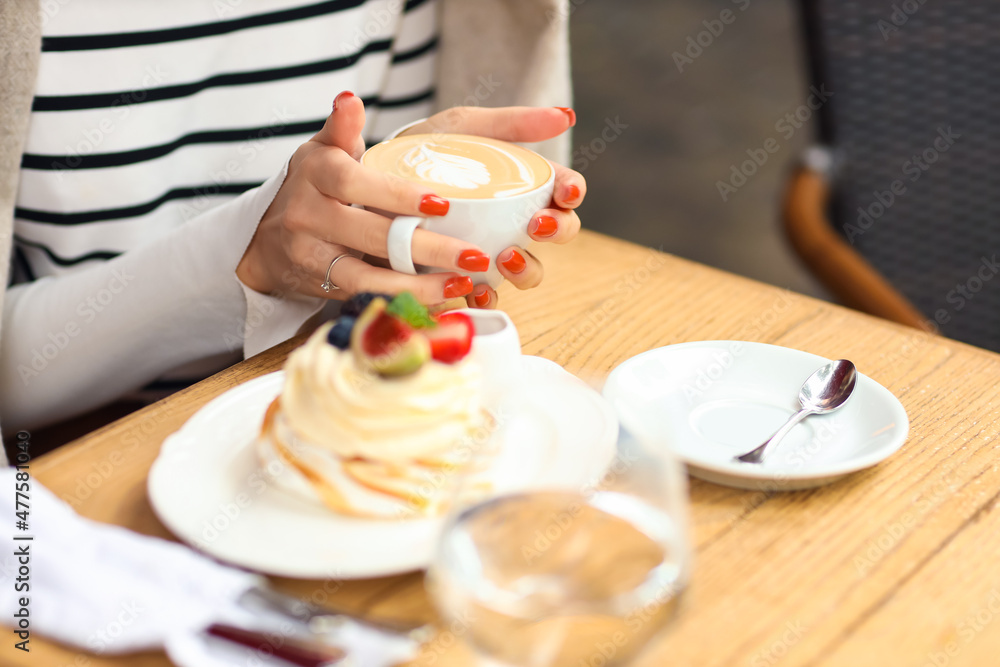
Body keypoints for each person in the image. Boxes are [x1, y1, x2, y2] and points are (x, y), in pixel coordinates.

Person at [0, 0, 583, 461]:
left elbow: (366, 293)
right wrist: (250, 257)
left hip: (338, 430)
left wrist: (407, 233)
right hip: (77, 464)